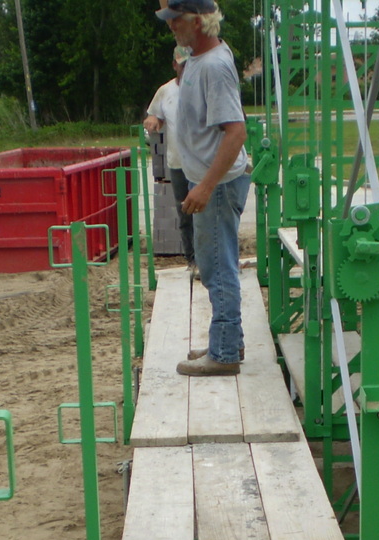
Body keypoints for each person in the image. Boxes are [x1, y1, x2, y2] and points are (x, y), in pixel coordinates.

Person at [158, 0, 251, 377]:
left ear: (197, 21)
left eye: (176, 20)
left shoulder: (213, 66)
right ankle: (227, 342)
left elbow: (236, 132)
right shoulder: (197, 57)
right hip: (210, 182)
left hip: (218, 185)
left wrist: (206, 187)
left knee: (218, 268)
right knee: (215, 265)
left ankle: (224, 353)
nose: (170, 27)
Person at [144, 46, 196, 266]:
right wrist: (153, 121)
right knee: (185, 214)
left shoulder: (201, 87)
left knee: (206, 215)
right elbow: (154, 116)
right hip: (177, 164)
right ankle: (192, 260)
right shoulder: (165, 91)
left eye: (190, 64)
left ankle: (209, 260)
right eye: (182, 65)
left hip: (201, 164)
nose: (186, 69)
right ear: (175, 65)